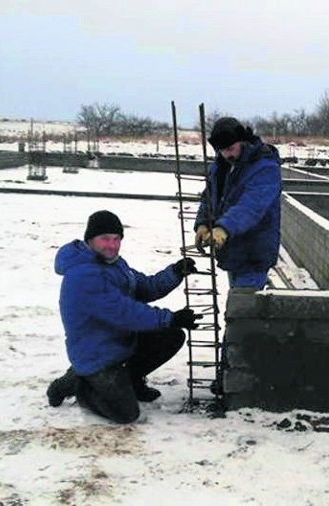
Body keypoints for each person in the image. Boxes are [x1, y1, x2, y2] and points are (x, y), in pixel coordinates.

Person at [46, 210, 200, 424]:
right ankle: (80, 385)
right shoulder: (83, 275)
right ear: (89, 240)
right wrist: (169, 317)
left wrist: (174, 273)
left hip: (119, 342)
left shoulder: (114, 264)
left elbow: (144, 288)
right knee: (126, 414)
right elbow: (124, 312)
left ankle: (132, 380)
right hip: (96, 354)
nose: (112, 245)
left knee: (171, 336)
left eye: (117, 239)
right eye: (105, 239)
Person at [194, 117, 282, 290]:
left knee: (243, 310)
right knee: (238, 306)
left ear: (242, 141)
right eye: (222, 150)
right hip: (234, 252)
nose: (227, 155)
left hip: (254, 253)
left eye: (230, 149)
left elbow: (251, 206)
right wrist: (203, 223)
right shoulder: (221, 166)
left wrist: (224, 228)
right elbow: (210, 197)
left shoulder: (265, 167)